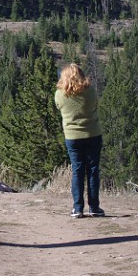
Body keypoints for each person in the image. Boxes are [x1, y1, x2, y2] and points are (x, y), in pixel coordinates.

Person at [54, 63, 105, 218]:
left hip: (72, 137)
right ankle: (94, 207)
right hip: (93, 134)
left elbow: (58, 107)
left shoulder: (60, 94)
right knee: (93, 170)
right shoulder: (90, 91)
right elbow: (97, 105)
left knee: (77, 171)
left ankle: (78, 208)